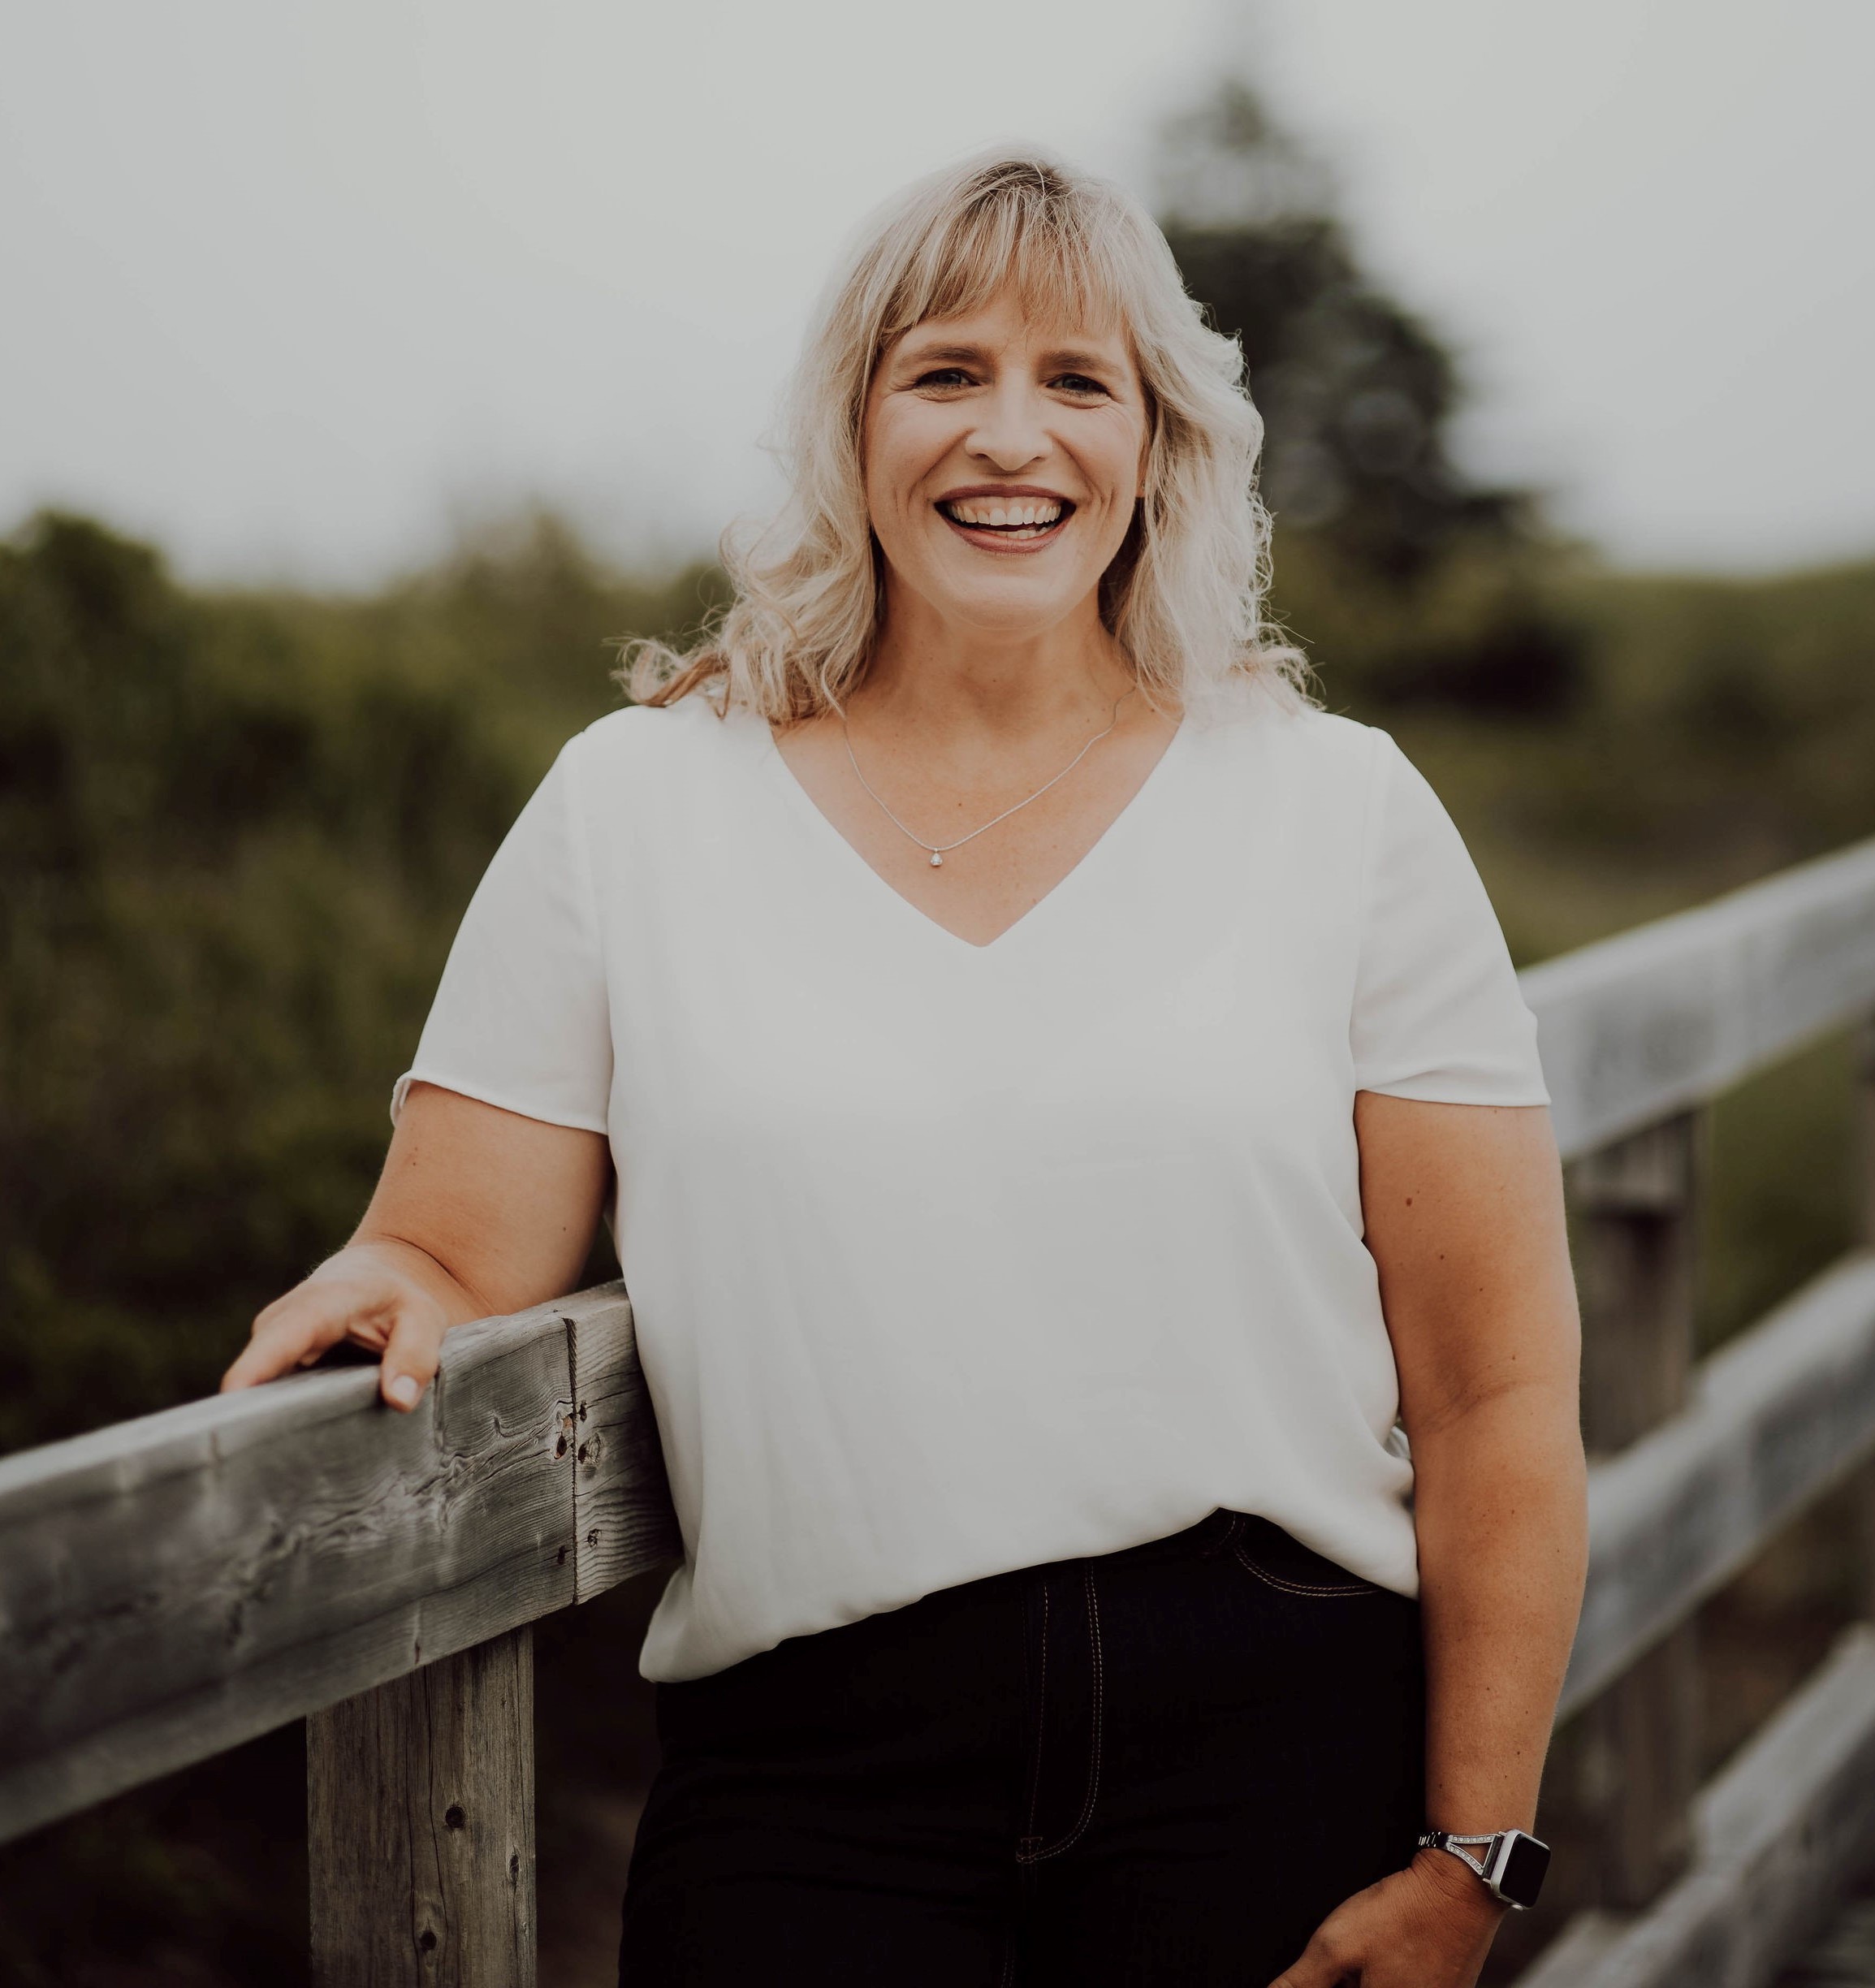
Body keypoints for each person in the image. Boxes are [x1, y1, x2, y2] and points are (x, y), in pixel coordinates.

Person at [222, 150, 1588, 1988]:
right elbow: (454, 1248)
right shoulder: (636, 804)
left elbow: (1491, 1386)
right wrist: (380, 1285)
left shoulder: (1340, 812)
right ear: (851, 423)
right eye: (944, 373)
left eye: (1074, 381)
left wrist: (1470, 1856)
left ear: (1157, 440)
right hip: (814, 1778)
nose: (1006, 437)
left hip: (1263, 1743)